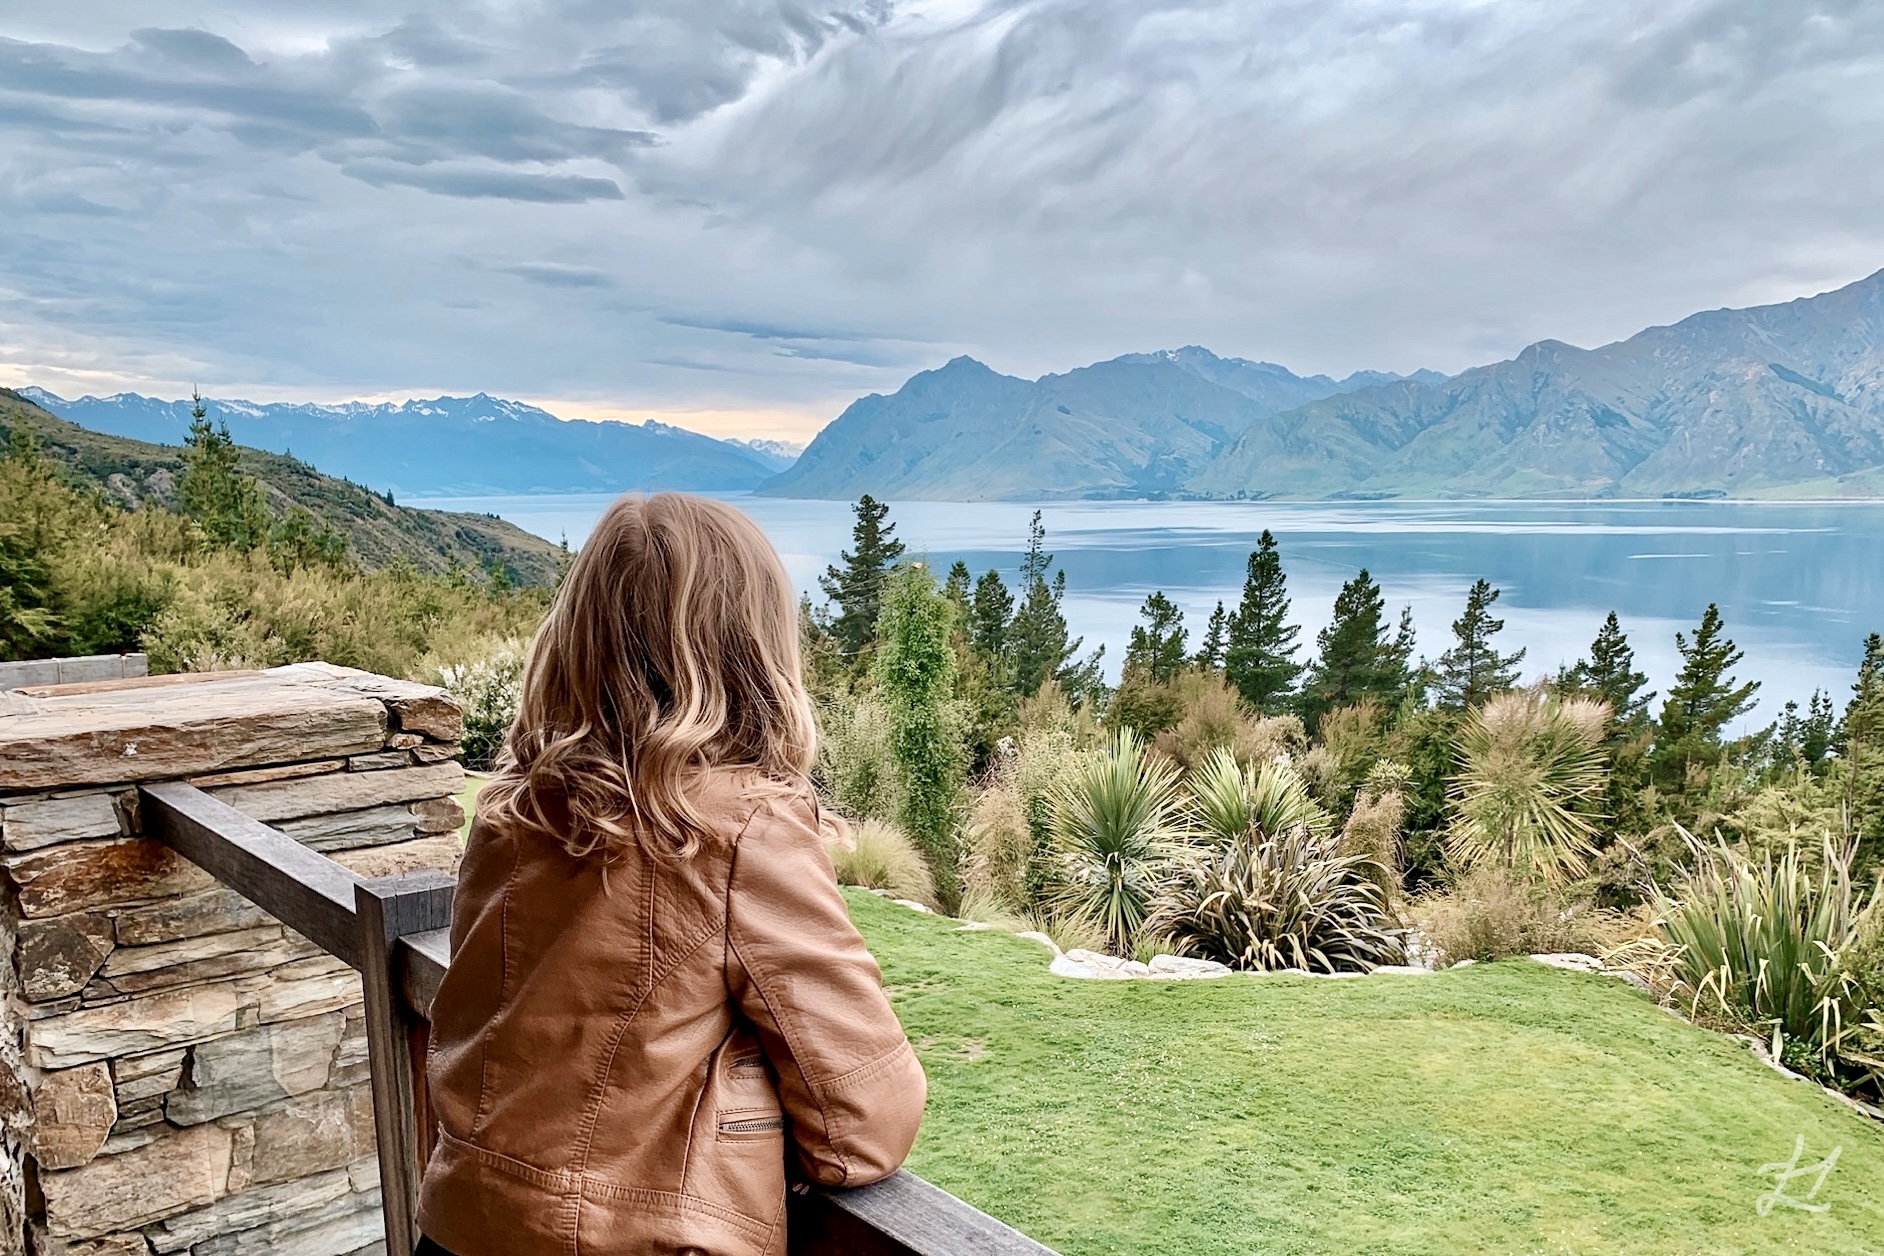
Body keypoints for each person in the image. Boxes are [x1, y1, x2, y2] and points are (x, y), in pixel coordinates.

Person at [416, 493, 927, 1256]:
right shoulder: (740, 830)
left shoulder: (509, 814)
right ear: (755, 649)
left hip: (461, 1226)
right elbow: (865, 1120)